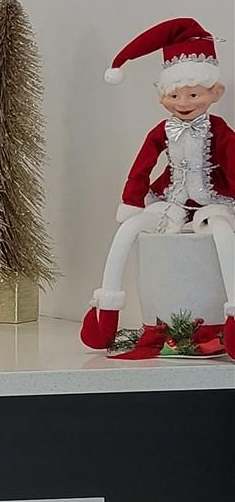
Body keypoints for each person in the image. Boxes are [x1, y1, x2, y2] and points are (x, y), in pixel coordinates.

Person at [79, 18, 234, 360]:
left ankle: (232, 314)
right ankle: (106, 308)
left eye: (192, 94)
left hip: (214, 201)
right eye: (174, 94)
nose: (183, 101)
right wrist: (132, 201)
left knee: (223, 234)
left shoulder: (219, 130)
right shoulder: (162, 130)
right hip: (170, 199)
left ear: (214, 93)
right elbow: (142, 166)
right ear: (162, 97)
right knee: (130, 230)